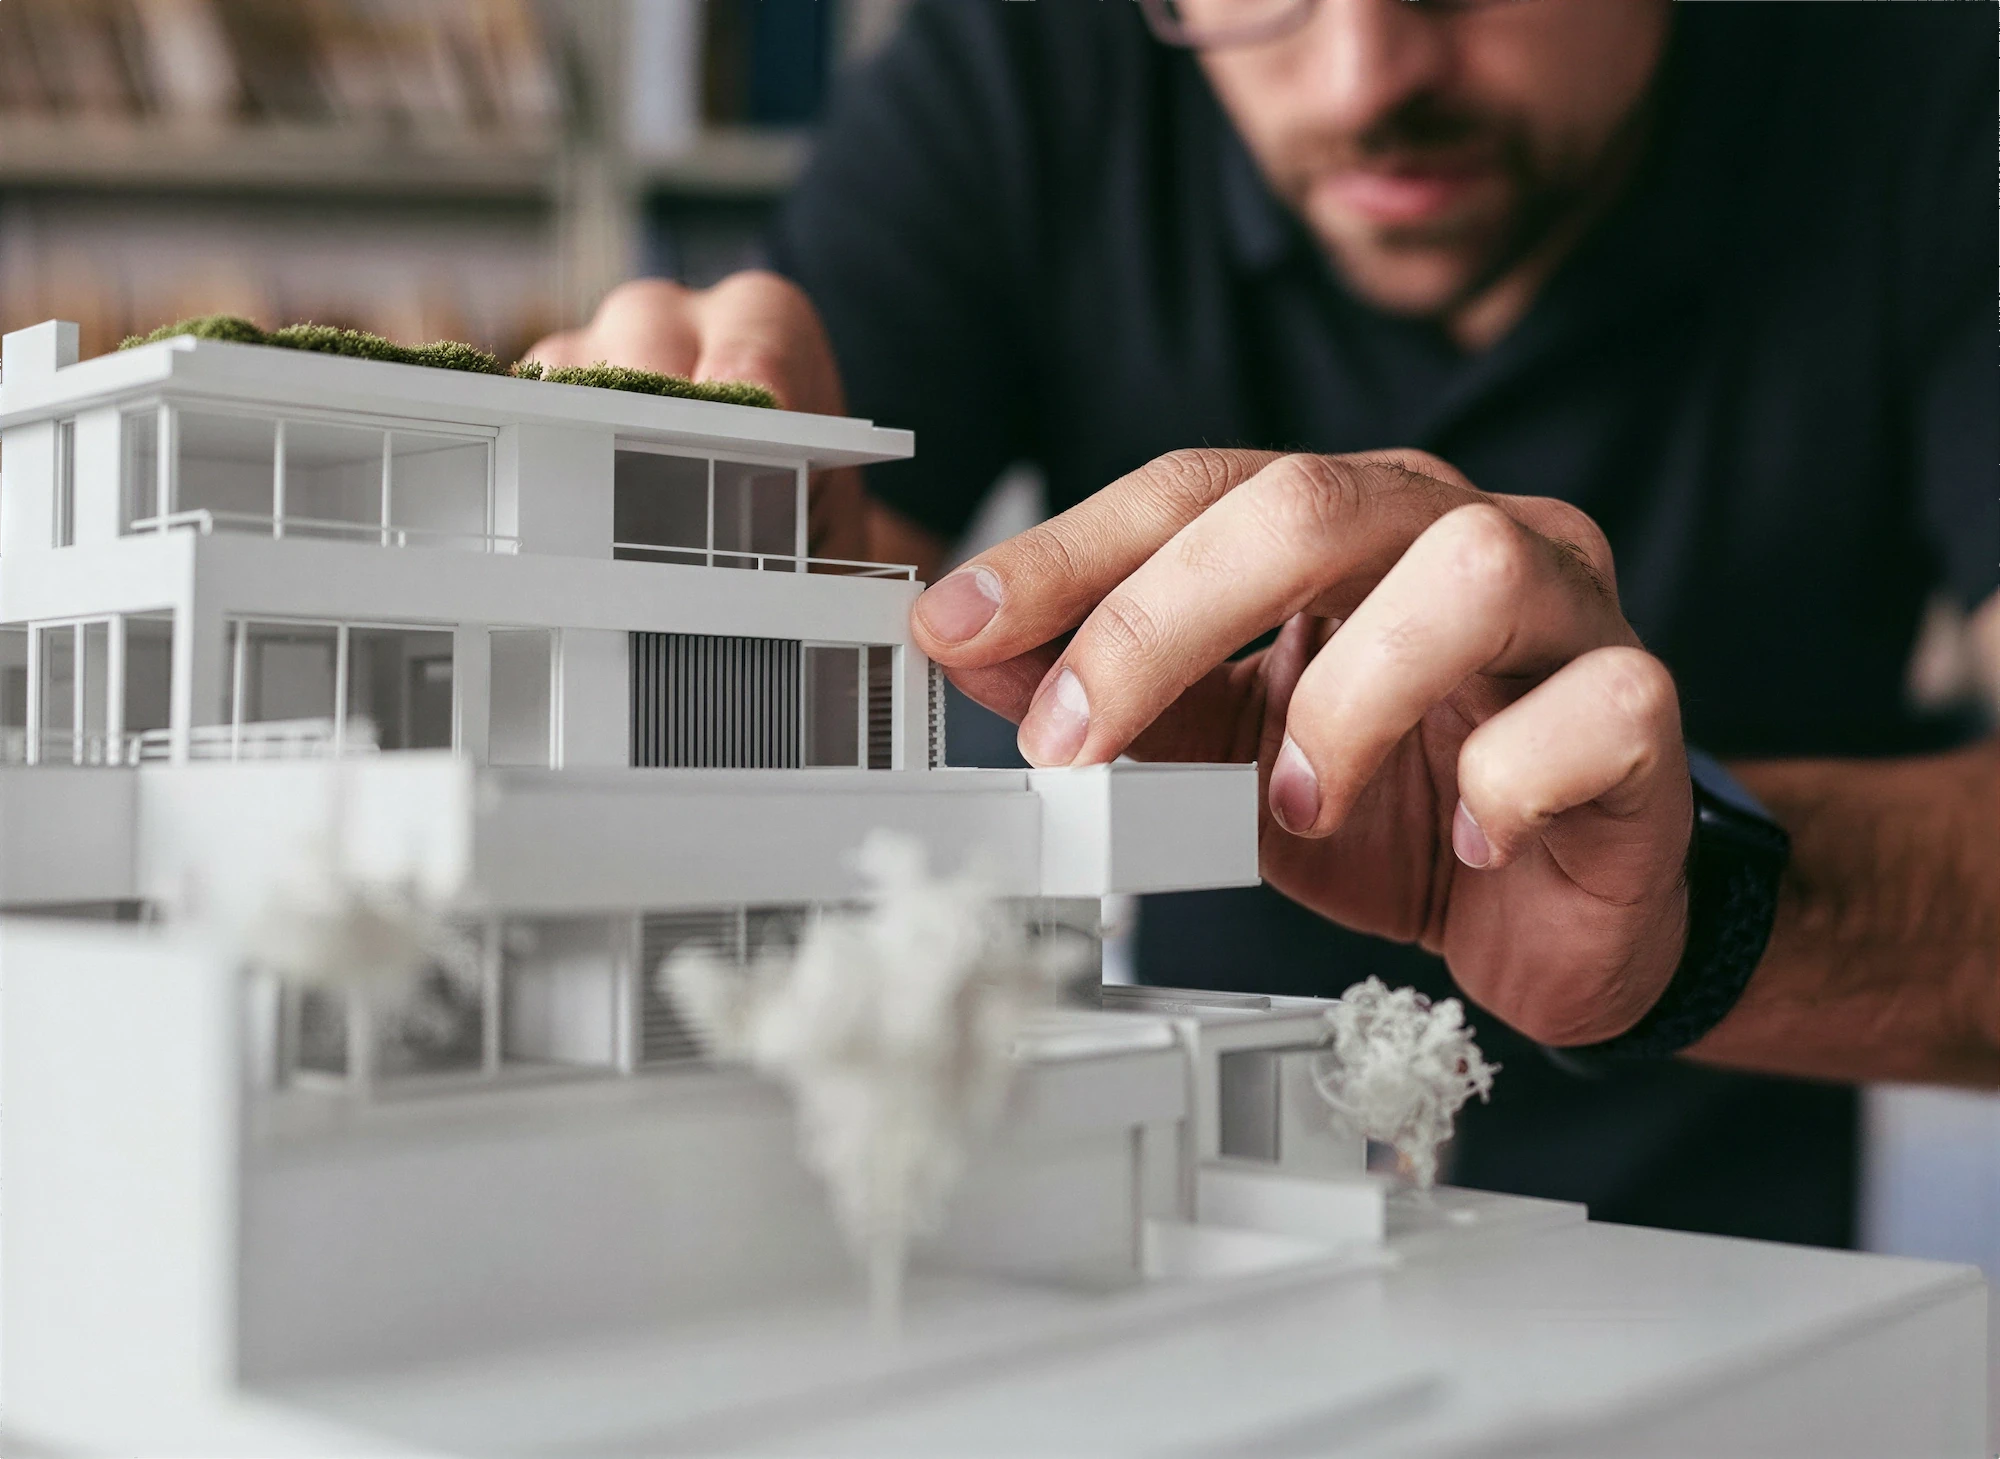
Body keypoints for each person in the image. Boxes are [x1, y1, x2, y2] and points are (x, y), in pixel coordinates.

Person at [532, 0, 1999, 1248]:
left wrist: (1684, 921)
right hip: (1171, 1273)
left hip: (1725, 1317)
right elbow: (804, 606)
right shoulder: (1024, 66)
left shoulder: (1935, 82)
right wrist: (684, 607)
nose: (1367, 77)